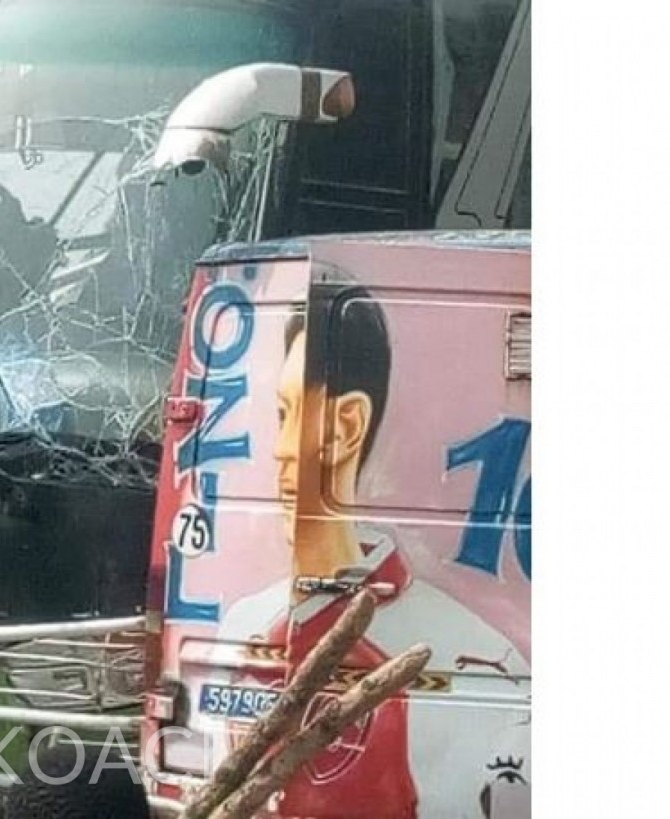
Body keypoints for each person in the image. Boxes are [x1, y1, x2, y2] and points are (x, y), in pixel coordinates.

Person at [214, 293, 526, 818]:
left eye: (292, 414)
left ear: (348, 427)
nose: (278, 450)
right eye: (280, 413)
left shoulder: (477, 655)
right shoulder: (241, 626)